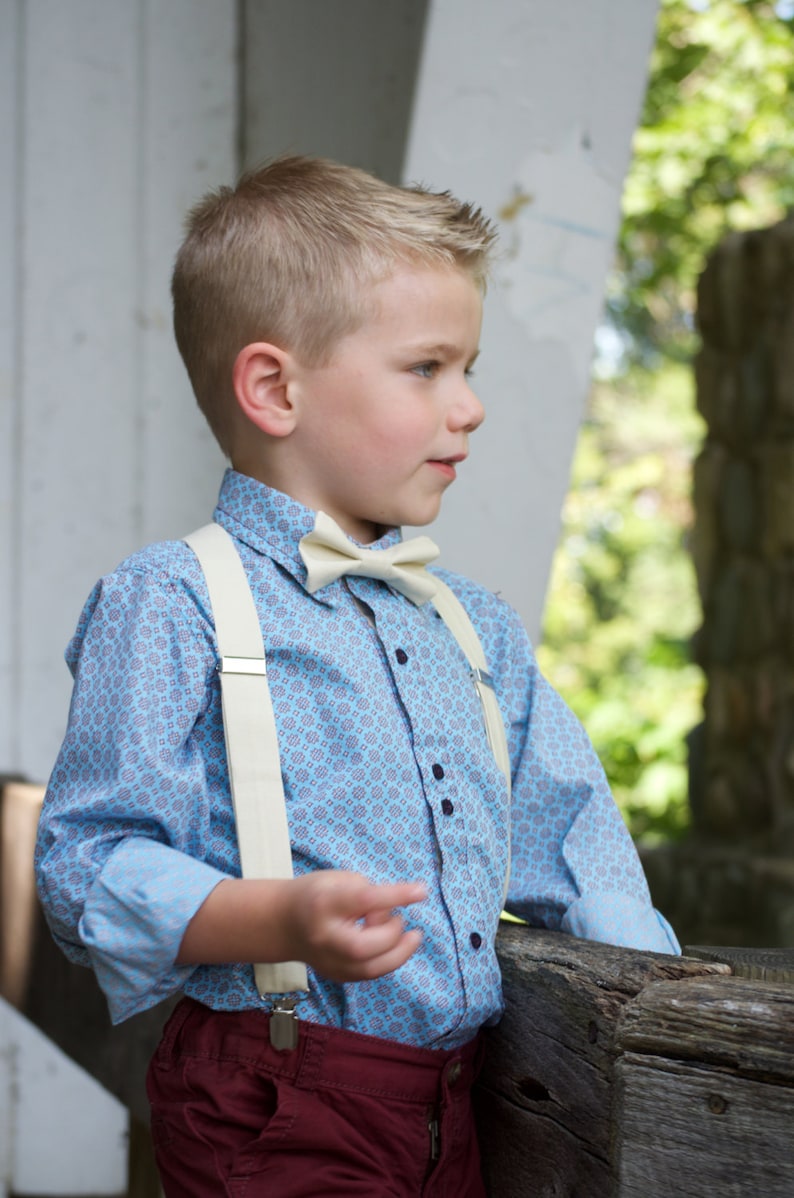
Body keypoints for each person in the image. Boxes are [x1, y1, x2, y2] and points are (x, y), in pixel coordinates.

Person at [35, 156, 680, 1197]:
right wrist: (274, 919)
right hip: (275, 1089)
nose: (466, 406)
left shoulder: (475, 628)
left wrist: (659, 997)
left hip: (454, 1097)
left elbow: (572, 836)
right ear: (274, 387)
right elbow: (87, 860)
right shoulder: (173, 601)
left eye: (467, 368)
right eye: (426, 368)